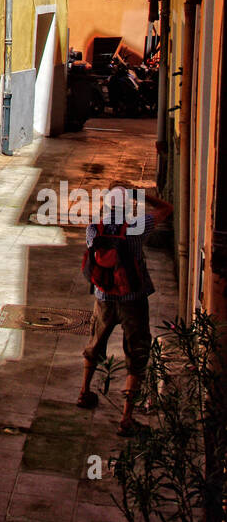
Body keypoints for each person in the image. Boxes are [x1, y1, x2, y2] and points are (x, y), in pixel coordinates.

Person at [76, 183, 171, 434]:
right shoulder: (138, 228)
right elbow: (166, 208)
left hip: (103, 296)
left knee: (95, 341)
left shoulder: (92, 229)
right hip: (133, 298)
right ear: (128, 205)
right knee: (137, 351)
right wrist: (141, 194)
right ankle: (126, 418)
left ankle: (84, 392)